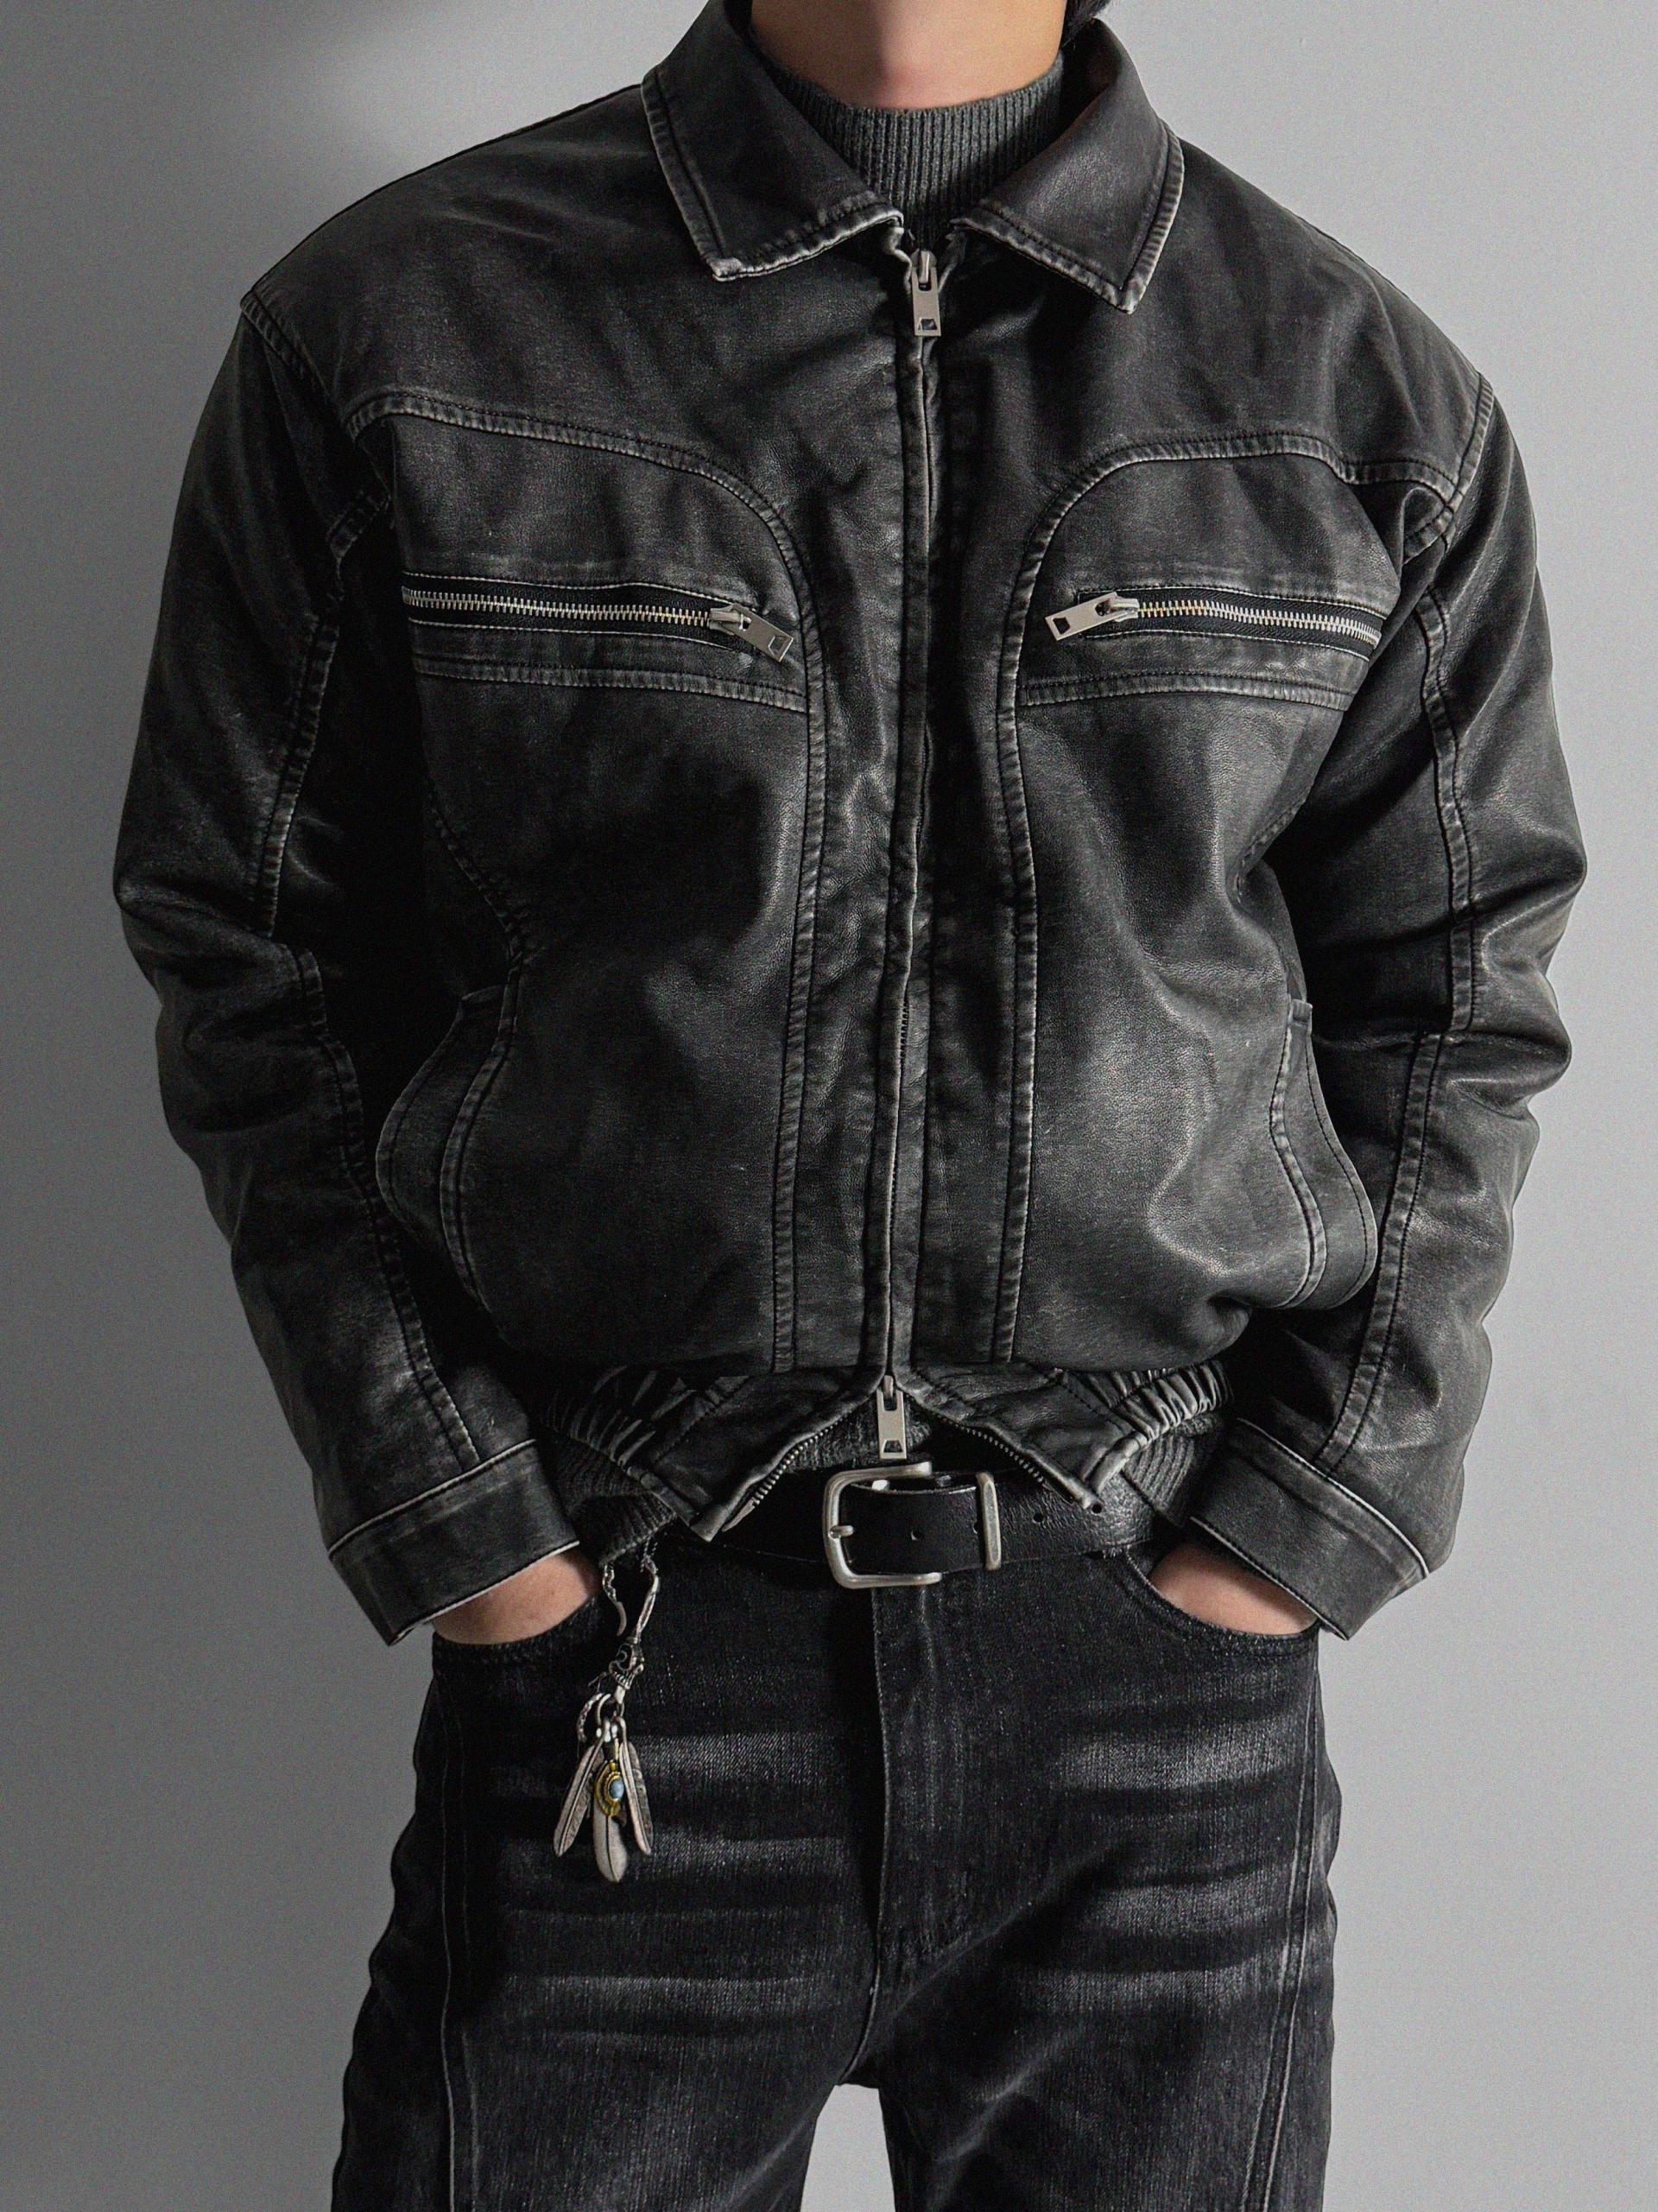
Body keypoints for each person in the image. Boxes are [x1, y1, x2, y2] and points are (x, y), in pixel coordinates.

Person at [113, 0, 1585, 2202]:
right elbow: (255, 948)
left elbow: (1458, 994)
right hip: (627, 1628)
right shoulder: (400, 332)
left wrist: (1295, 1536)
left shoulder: (1354, 389)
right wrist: (470, 1534)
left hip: (1150, 1659)